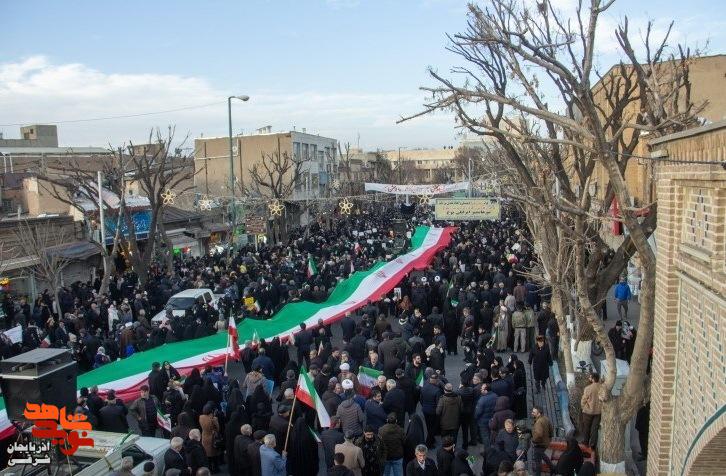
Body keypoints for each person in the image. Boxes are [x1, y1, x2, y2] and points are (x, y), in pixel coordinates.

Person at [580, 372, 602, 449]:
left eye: (590, 377)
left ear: (593, 379)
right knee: (594, 429)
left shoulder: (588, 388)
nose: (589, 378)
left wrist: (583, 407)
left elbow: (583, 400)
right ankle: (593, 445)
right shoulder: (602, 387)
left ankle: (585, 442)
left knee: (586, 428)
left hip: (588, 412)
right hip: (598, 412)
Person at [420, 373, 442, 447]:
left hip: (425, 410)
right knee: (432, 427)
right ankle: (429, 443)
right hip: (433, 412)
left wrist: (424, 406)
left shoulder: (424, 387)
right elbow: (438, 403)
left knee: (428, 425)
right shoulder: (437, 390)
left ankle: (432, 439)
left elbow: (421, 399)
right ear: (436, 380)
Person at [530, 406, 554, 476]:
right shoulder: (546, 418)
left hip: (539, 444)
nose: (532, 413)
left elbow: (539, 434)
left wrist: (533, 440)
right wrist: (549, 439)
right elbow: (551, 431)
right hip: (545, 443)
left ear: (539, 413)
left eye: (534, 412)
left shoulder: (538, 422)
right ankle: (553, 468)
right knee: (542, 455)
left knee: (538, 462)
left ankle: (538, 474)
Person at [199, 403, 221, 472]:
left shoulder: (201, 417)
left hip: (204, 436)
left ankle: (209, 468)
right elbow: (218, 428)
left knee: (207, 454)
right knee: (214, 454)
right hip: (212, 437)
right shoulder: (214, 419)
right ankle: (216, 468)